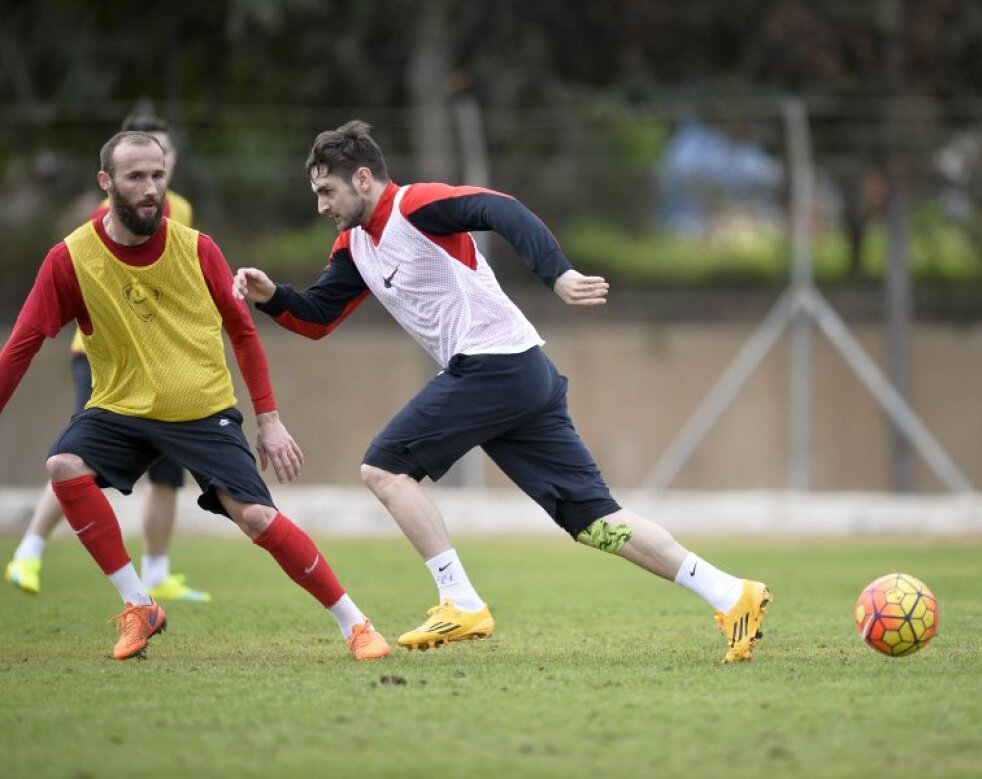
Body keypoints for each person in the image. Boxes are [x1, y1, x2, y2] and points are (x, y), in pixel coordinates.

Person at [233, 120, 771, 663]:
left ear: (364, 179)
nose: (322, 205)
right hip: (521, 375)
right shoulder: (355, 247)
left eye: (328, 191)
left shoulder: (415, 205)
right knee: (592, 521)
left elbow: (500, 207)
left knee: (384, 467)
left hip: (495, 366)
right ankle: (732, 594)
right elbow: (318, 317)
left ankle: (460, 600)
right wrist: (272, 295)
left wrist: (555, 273)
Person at [0, 130, 390, 661]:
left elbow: (245, 332)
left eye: (158, 176)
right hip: (120, 406)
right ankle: (140, 606)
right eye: (136, 177)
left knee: (255, 519)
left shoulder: (198, 249)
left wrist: (269, 419)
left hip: (201, 410)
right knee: (65, 466)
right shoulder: (69, 259)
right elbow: (20, 348)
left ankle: (355, 623)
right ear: (105, 182)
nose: (150, 188)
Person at [5, 113, 208, 603]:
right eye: (136, 167)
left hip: (158, 360)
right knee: (77, 460)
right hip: (101, 357)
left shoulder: (179, 209)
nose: (151, 176)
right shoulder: (105, 216)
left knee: (166, 472)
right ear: (115, 172)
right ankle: (28, 550)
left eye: (161, 159)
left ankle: (157, 572)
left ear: (171, 161)